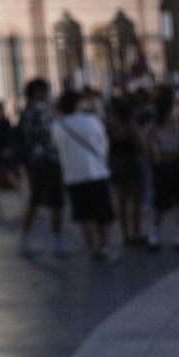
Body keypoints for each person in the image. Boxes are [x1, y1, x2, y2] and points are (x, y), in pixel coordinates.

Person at [51, 89, 118, 262]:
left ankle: (92, 248)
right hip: (96, 172)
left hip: (73, 176)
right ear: (77, 104)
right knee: (103, 214)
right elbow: (103, 144)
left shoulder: (57, 126)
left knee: (84, 214)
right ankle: (105, 247)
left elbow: (56, 148)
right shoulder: (91, 121)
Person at [18, 78, 65, 258]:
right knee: (42, 198)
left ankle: (55, 237)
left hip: (46, 159)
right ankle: (34, 236)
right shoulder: (32, 111)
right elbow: (34, 134)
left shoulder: (44, 109)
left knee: (49, 199)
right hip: (42, 159)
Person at [145, 88, 179, 252]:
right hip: (178, 166)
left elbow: (148, 150)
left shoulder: (152, 128)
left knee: (159, 203)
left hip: (160, 168)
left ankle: (154, 236)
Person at [106, 97, 145, 247]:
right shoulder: (131, 126)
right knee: (135, 202)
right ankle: (136, 232)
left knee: (121, 203)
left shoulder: (110, 126)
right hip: (131, 164)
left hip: (116, 164)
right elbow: (140, 145)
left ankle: (125, 234)